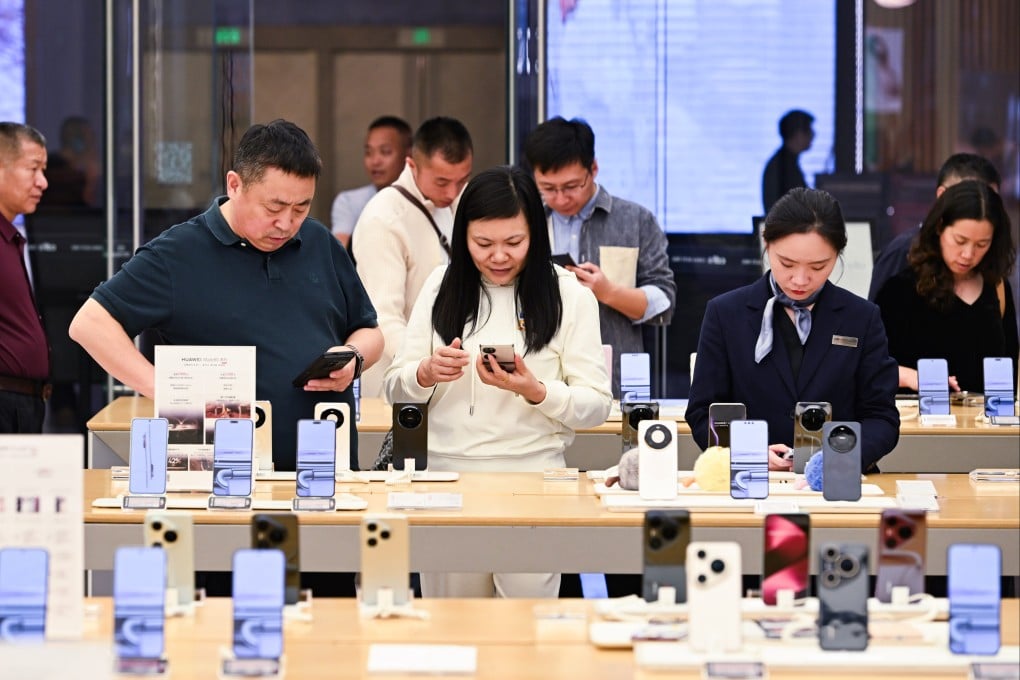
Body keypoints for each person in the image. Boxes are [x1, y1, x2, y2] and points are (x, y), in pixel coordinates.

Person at [69, 119, 383, 471]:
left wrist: (353, 357)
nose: (286, 224)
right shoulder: (178, 253)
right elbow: (90, 324)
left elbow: (369, 331)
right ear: (235, 185)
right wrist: (167, 390)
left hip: (325, 470)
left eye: (301, 208)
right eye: (274, 208)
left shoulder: (319, 242)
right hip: (217, 473)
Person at [383, 166, 612, 597]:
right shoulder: (440, 286)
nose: (499, 257)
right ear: (463, 236)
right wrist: (424, 373)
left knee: (528, 625)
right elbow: (394, 388)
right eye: (483, 244)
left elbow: (598, 405)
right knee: (451, 623)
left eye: (514, 242)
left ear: (536, 236)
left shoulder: (570, 295)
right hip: (445, 480)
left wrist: (536, 391)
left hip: (535, 480)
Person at [686, 188, 899, 473]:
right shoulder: (725, 314)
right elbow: (703, 412)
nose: (800, 279)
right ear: (766, 243)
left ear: (837, 254)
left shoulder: (861, 318)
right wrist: (748, 452)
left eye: (818, 266)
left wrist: (839, 456)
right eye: (786, 264)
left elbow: (881, 418)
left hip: (836, 479)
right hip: (752, 477)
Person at [523, 116, 674, 399]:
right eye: (548, 188)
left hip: (615, 379)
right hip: (540, 378)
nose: (561, 198)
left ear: (593, 169)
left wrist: (609, 292)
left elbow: (664, 302)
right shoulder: (526, 221)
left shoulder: (635, 220)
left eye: (571, 186)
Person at [352, 116, 473, 398]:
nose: (452, 192)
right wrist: (422, 366)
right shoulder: (382, 217)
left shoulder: (458, 202)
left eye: (462, 181)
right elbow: (383, 316)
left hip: (446, 369)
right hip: (397, 379)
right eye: (442, 181)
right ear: (412, 165)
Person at [874, 181, 1018, 393]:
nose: (968, 254)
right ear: (940, 227)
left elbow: (1009, 363)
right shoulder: (901, 289)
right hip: (919, 412)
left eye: (982, 244)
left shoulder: (997, 286)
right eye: (960, 241)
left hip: (985, 414)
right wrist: (912, 377)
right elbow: (872, 365)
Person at [868, 153, 1001, 301]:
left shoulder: (990, 257)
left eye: (992, 203)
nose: (968, 254)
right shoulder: (903, 252)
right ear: (942, 195)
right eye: (970, 198)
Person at [0, 122, 51, 433]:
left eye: (43, 170)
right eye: (33, 169)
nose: (42, 182)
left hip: (24, 402)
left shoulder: (10, 236)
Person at [330, 115, 412, 248]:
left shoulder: (428, 200)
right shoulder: (349, 202)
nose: (375, 161)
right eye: (369, 152)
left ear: (409, 155)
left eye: (385, 152)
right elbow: (339, 251)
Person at [762, 110, 815, 213]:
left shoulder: (784, 162)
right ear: (798, 134)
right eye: (809, 131)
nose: (813, 135)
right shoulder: (783, 167)